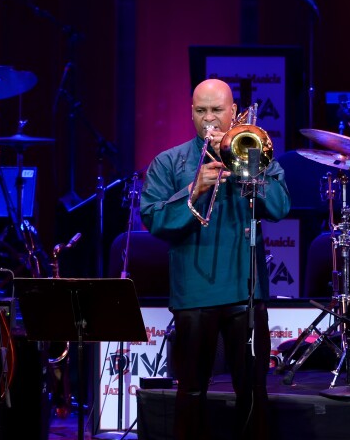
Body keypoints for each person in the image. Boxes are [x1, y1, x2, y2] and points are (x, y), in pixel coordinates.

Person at [140, 78, 290, 440]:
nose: (209, 119)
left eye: (217, 110)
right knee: (191, 392)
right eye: (201, 110)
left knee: (253, 392)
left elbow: (281, 208)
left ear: (233, 112)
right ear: (191, 113)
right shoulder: (169, 161)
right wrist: (195, 189)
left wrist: (251, 174)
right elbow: (153, 219)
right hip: (193, 294)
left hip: (245, 292)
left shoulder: (253, 150)